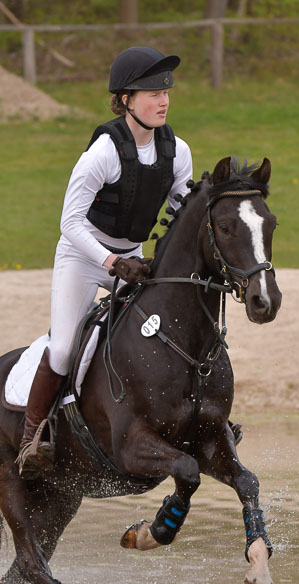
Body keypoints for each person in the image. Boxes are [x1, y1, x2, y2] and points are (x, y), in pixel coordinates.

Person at [16, 45, 193, 479]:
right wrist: (112, 262)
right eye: (152, 92)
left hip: (131, 259)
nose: (163, 99)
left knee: (162, 334)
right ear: (126, 100)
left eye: (166, 91)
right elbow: (69, 222)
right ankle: (30, 440)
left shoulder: (178, 151)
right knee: (62, 348)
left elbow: (182, 210)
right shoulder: (102, 153)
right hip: (83, 256)